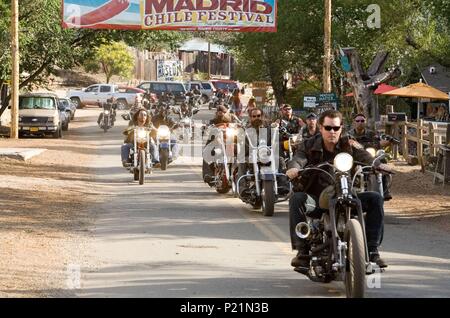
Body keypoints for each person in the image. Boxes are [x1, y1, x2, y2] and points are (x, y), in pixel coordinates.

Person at [286, 110, 389, 269]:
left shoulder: (349, 144)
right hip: (318, 199)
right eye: (328, 128)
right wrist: (293, 169)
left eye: (336, 128)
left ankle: (372, 250)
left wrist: (377, 165)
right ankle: (302, 252)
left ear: (341, 128)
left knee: (375, 199)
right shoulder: (309, 145)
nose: (332, 132)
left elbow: (364, 156)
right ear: (321, 128)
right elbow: (298, 159)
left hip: (346, 193)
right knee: (296, 199)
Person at [348, 113, 393, 200]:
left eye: (362, 121)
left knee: (382, 162)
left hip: (369, 156)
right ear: (354, 122)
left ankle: (385, 190)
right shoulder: (349, 135)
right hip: (355, 158)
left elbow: (380, 141)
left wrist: (387, 141)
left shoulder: (372, 134)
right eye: (358, 121)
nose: (360, 122)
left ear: (365, 122)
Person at [202, 105, 235, 183]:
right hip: (216, 141)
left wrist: (241, 126)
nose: (221, 114)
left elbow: (239, 124)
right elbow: (208, 128)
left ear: (226, 112)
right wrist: (207, 128)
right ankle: (208, 174)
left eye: (223, 112)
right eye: (219, 112)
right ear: (216, 113)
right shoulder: (213, 121)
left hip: (230, 140)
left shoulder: (232, 119)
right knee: (207, 151)